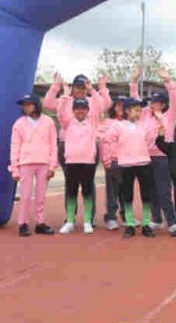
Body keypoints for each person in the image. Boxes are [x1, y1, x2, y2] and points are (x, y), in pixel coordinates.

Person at [43, 73, 111, 224]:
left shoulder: (93, 101)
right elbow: (47, 104)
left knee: (89, 182)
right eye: (77, 87)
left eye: (83, 87)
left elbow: (106, 104)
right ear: (72, 88)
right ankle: (70, 217)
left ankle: (89, 217)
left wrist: (99, 88)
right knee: (70, 182)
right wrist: (56, 87)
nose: (80, 91)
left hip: (88, 145)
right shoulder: (66, 100)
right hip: (67, 145)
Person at [130, 68, 176, 232]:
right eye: (151, 102)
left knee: (164, 190)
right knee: (151, 190)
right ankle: (156, 219)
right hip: (146, 157)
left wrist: (168, 82)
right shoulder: (144, 115)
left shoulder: (169, 116)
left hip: (163, 158)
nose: (152, 104)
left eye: (155, 102)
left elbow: (175, 99)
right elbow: (135, 101)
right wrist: (134, 82)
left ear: (163, 104)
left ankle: (171, 221)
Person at [101, 97, 156, 238]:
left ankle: (146, 224)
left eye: (140, 110)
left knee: (146, 195)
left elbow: (150, 140)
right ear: (127, 111)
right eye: (136, 110)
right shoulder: (118, 126)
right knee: (127, 196)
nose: (139, 113)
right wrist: (107, 159)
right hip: (126, 165)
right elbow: (106, 140)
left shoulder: (143, 126)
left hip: (144, 163)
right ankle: (130, 224)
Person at [8, 93, 57, 237]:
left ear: (36, 105)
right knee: (25, 195)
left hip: (43, 163)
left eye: (28, 104)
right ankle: (23, 223)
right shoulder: (19, 124)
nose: (25, 107)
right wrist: (14, 168)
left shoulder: (48, 122)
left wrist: (52, 165)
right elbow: (15, 146)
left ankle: (40, 223)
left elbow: (53, 144)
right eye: (24, 105)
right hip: (26, 163)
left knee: (41, 196)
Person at [57, 94, 102, 234]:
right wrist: (64, 95)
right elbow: (60, 113)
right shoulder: (67, 123)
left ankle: (87, 221)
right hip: (71, 162)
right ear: (73, 110)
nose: (80, 111)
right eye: (77, 108)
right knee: (71, 192)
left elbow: (99, 106)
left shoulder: (93, 123)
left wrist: (92, 90)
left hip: (88, 162)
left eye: (83, 108)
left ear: (88, 110)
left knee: (87, 192)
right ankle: (70, 221)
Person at [98, 95, 128, 230]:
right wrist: (106, 160)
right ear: (113, 107)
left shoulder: (131, 123)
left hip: (128, 162)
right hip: (113, 162)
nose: (121, 108)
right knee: (112, 191)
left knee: (126, 191)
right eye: (118, 105)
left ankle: (127, 216)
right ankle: (110, 217)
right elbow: (104, 142)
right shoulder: (107, 123)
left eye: (123, 105)